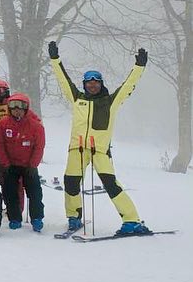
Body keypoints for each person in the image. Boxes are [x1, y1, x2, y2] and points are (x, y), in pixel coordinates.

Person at [48, 41, 150, 235]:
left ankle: (132, 221)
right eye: (89, 82)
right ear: (85, 85)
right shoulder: (77, 98)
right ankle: (74, 217)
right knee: (70, 183)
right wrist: (55, 59)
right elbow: (63, 80)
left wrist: (139, 66)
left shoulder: (110, 102)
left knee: (111, 185)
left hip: (100, 151)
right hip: (76, 149)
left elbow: (128, 85)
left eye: (96, 82)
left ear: (101, 84)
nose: (92, 85)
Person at [0, 94, 45, 232]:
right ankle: (14, 218)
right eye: (13, 106)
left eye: (21, 107)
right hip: (10, 165)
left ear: (26, 108)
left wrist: (33, 165)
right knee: (9, 193)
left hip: (29, 166)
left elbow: (39, 146)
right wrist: (5, 163)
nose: (17, 110)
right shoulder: (3, 124)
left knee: (35, 193)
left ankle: (37, 218)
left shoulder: (35, 125)